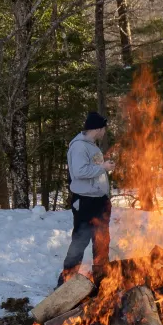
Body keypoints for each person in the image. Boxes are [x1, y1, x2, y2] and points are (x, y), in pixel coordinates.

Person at [59, 111, 114, 286]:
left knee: (101, 241)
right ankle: (66, 281)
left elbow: (93, 169)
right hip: (85, 201)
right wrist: (103, 167)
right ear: (97, 128)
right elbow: (79, 172)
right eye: (104, 128)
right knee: (80, 240)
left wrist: (104, 168)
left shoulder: (92, 146)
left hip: (99, 201)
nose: (105, 132)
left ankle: (101, 280)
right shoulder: (79, 146)